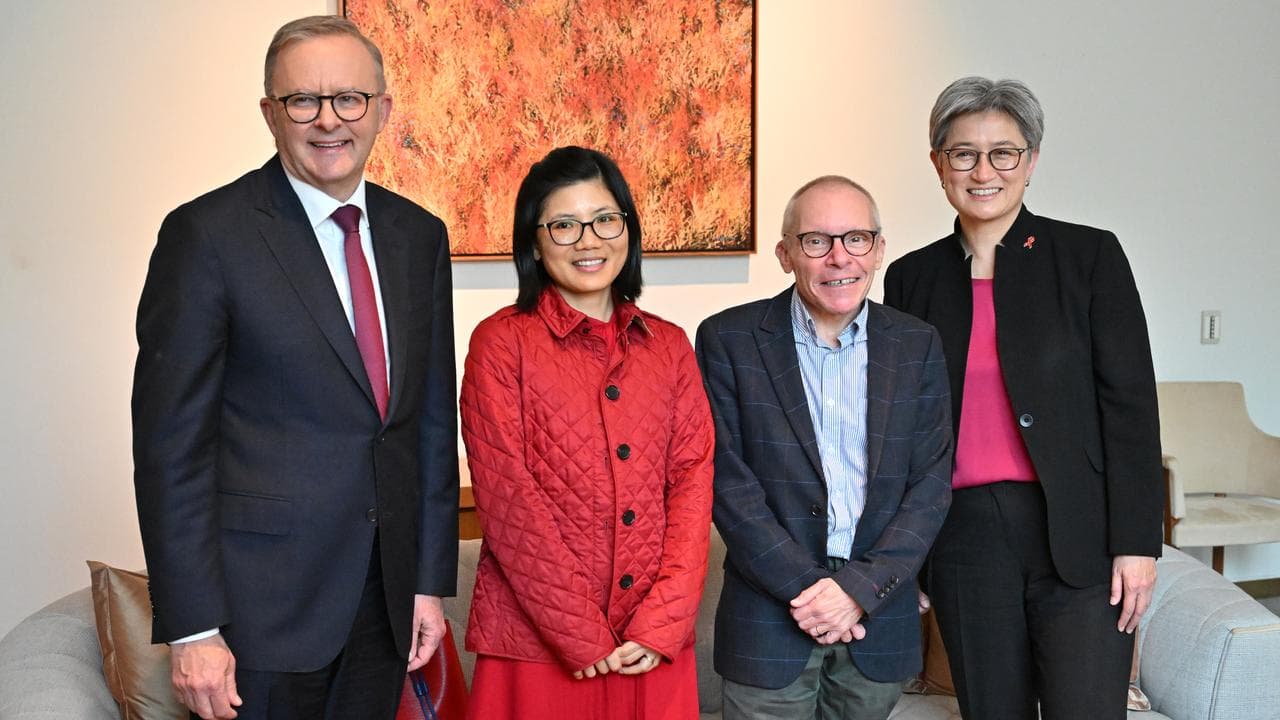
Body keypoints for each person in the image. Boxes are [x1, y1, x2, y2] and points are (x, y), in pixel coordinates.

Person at [131, 16, 459, 720]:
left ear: (383, 110)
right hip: (259, 617)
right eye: (302, 101)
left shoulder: (418, 236)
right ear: (269, 113)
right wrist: (193, 628)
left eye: (349, 99)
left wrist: (427, 582)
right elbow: (170, 449)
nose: (328, 120)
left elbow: (428, 423)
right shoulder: (206, 236)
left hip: (383, 605)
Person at [882, 76, 1163, 720]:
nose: (984, 171)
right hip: (963, 537)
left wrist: (1138, 544)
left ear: (1031, 161)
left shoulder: (1089, 256)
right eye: (963, 153)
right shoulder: (910, 277)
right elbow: (901, 427)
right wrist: (905, 552)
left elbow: (1131, 408)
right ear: (937, 163)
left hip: (1078, 530)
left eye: (1003, 152)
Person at [457, 146, 714, 720]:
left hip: (652, 645)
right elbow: (507, 501)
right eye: (564, 225)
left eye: (605, 219)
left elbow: (692, 487)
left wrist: (662, 623)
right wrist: (579, 634)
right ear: (534, 241)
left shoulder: (669, 346)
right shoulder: (501, 343)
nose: (589, 240)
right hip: (535, 643)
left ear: (628, 228)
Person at [696, 176, 953, 719]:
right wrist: (815, 594)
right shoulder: (728, 340)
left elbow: (929, 486)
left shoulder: (917, 344)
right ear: (785, 254)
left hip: (878, 616)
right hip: (769, 616)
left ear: (879, 250)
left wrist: (857, 591)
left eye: (857, 238)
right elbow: (726, 482)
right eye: (817, 241)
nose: (840, 258)